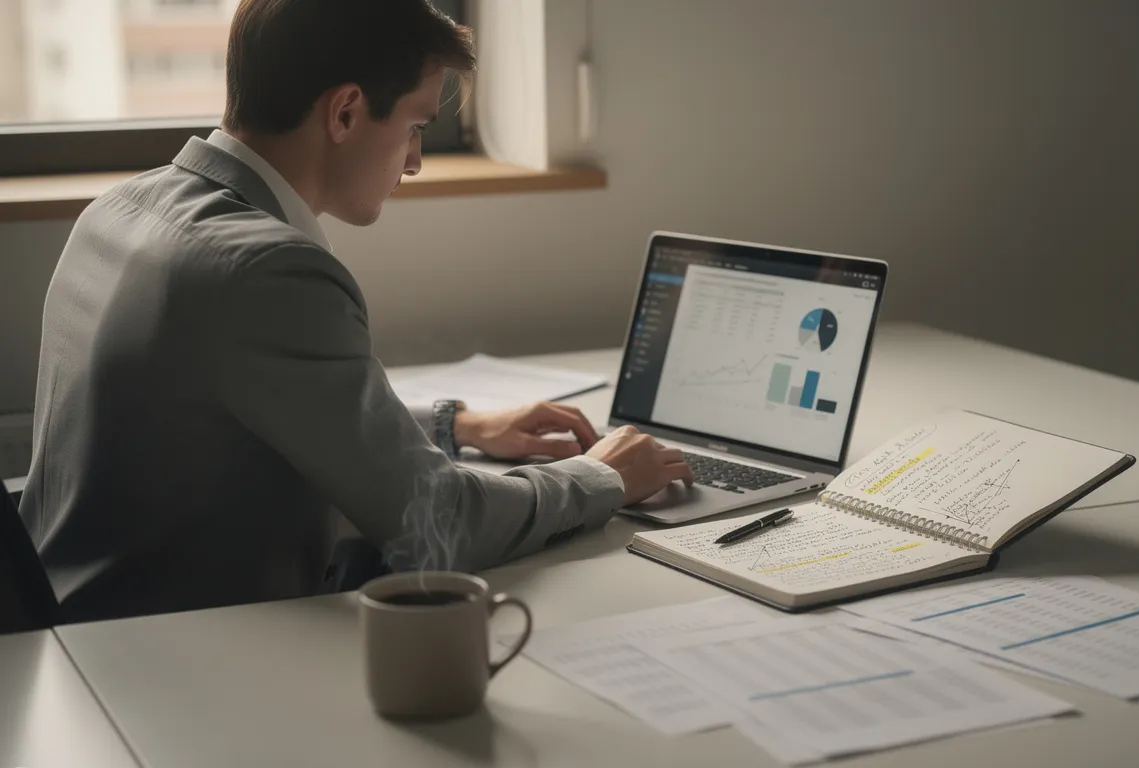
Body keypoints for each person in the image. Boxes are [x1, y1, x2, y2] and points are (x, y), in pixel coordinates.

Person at [19, 0, 692, 623]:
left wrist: (457, 425)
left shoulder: (118, 210)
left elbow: (261, 408)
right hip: (172, 655)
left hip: (81, 623)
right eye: (415, 128)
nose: (416, 162)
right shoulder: (271, 272)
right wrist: (600, 475)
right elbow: (440, 523)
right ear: (344, 113)